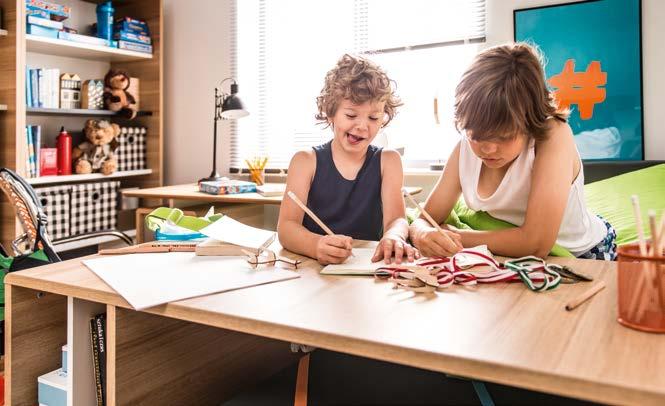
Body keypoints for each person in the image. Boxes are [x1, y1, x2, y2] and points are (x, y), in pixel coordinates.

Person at [410, 42, 617, 261]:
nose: (487, 148)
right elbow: (425, 218)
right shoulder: (465, 146)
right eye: (475, 134)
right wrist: (421, 232)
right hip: (506, 254)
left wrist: (456, 237)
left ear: (529, 120)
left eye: (504, 136)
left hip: (582, 253)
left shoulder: (553, 135)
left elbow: (536, 244)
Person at [278, 53, 418, 265]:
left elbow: (396, 219)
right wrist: (315, 245)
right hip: (312, 268)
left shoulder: (389, 161)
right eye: (351, 115)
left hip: (368, 270)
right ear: (330, 112)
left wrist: (395, 235)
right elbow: (287, 228)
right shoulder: (305, 161)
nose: (362, 126)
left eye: (373, 117)